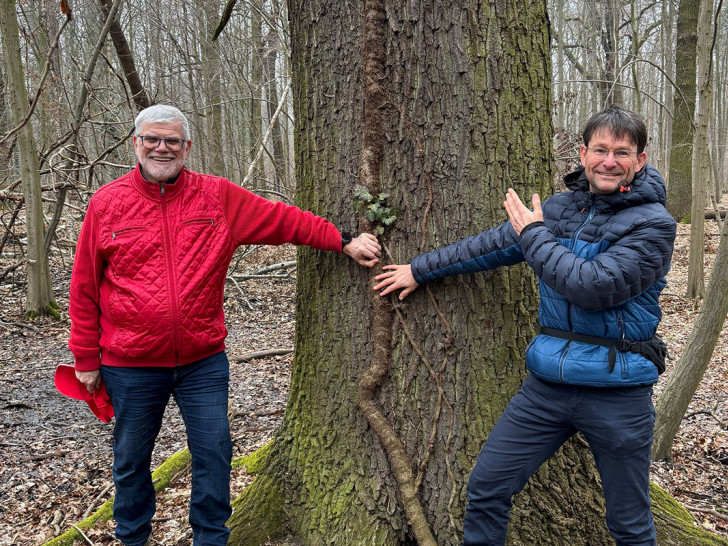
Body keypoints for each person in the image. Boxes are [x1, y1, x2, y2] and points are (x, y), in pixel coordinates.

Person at [68, 104, 381, 546]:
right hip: (130, 364)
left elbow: (282, 220)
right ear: (135, 144)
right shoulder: (106, 204)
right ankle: (132, 537)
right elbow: (83, 287)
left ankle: (211, 539)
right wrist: (85, 357)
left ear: (186, 147)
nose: (162, 148)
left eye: (172, 141)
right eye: (153, 139)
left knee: (214, 454)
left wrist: (342, 241)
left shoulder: (216, 197)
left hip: (202, 362)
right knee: (131, 460)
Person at [374, 106, 675, 545]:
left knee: (628, 524)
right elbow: (488, 247)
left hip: (619, 391)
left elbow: (589, 287)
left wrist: (533, 234)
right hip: (547, 387)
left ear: (640, 160)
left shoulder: (654, 225)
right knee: (486, 489)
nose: (609, 161)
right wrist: (420, 269)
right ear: (583, 154)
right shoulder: (558, 209)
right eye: (601, 150)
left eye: (622, 152)